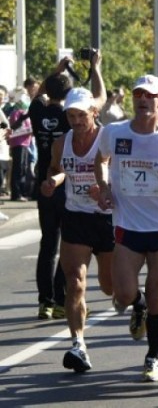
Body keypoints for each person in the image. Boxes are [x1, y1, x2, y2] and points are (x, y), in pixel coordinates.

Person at [95, 74, 158, 382]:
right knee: (124, 293)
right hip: (127, 225)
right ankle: (136, 306)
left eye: (149, 95)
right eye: (138, 94)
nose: (143, 100)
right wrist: (103, 187)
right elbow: (100, 160)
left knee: (157, 293)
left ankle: (153, 358)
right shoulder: (113, 133)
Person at [40, 88, 114, 373]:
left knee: (111, 289)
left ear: (94, 113)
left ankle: (137, 301)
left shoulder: (108, 139)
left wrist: (105, 188)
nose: (76, 121)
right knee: (75, 281)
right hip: (76, 216)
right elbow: (57, 168)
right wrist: (53, 182)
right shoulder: (62, 142)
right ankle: (78, 345)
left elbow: (120, 174)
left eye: (81, 115)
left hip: (106, 217)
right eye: (71, 115)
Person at [29, 53, 106, 320]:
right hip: (68, 184)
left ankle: (45, 301)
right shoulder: (72, 116)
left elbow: (38, 93)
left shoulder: (37, 111)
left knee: (48, 244)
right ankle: (64, 299)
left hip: (46, 183)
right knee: (70, 243)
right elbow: (100, 99)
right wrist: (95, 67)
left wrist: (56, 70)